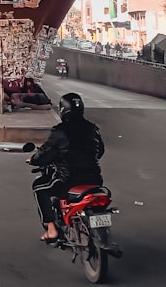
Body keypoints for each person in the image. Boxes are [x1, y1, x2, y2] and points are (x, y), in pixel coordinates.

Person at [28, 92, 105, 243]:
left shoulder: (60, 130)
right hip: (95, 179)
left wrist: (33, 160)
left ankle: (51, 230)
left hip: (69, 179)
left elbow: (44, 153)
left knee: (39, 187)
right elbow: (100, 151)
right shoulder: (92, 128)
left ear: (63, 109)